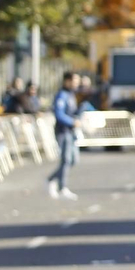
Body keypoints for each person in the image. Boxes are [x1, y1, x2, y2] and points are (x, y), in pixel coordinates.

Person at [48, 71, 80, 201]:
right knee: (65, 160)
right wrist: (72, 122)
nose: (76, 83)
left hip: (72, 132)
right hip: (63, 131)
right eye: (74, 80)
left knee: (74, 160)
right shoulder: (62, 95)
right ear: (67, 81)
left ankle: (51, 179)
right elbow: (59, 114)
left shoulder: (71, 95)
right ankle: (62, 187)